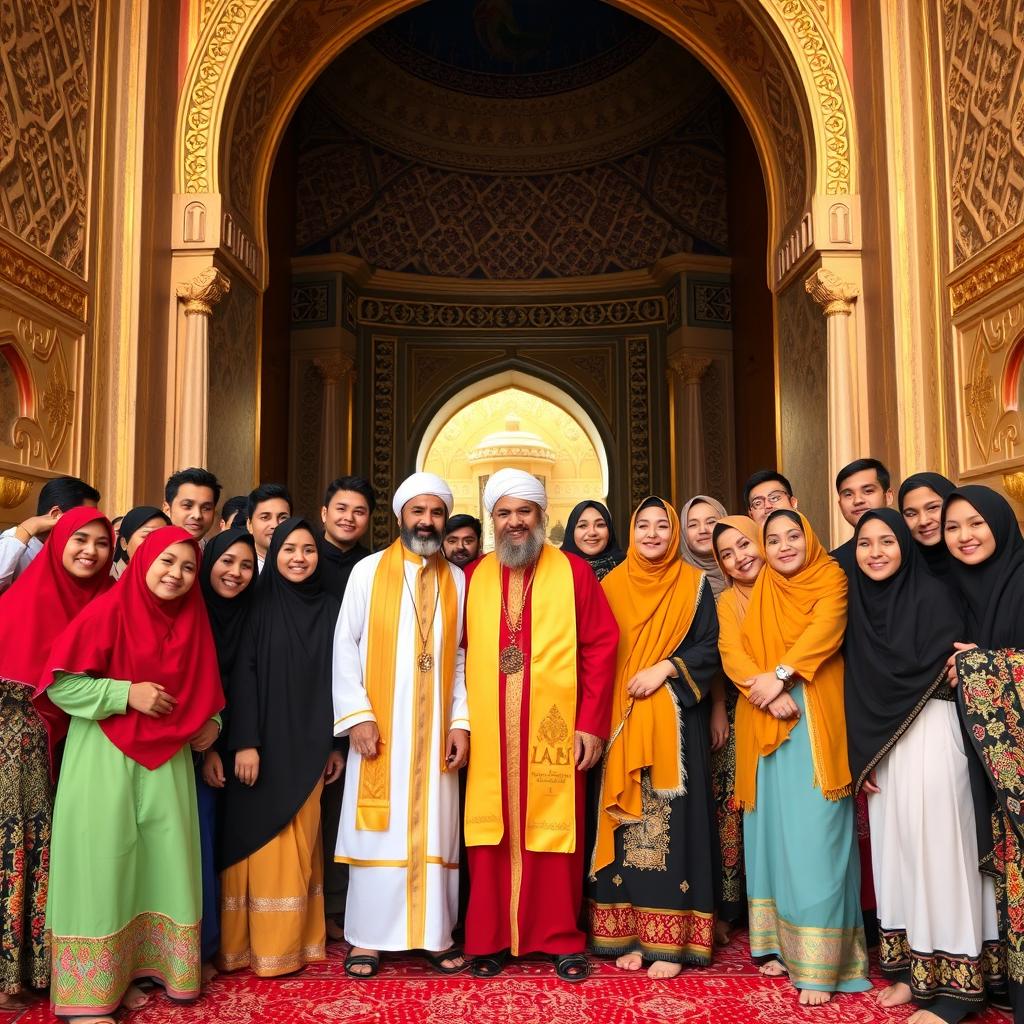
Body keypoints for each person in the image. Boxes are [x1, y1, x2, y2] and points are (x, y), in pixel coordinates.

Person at [39, 526, 224, 1021]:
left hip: (167, 763)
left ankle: (137, 971)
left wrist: (213, 720)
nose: (177, 575)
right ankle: (87, 997)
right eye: (167, 562)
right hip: (103, 759)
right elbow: (61, 688)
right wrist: (125, 693)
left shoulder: (192, 620)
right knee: (103, 865)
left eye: (188, 567)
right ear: (144, 562)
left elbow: (205, 685)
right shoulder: (107, 611)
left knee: (161, 863)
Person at [844, 508, 1001, 1023]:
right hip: (887, 749)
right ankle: (919, 975)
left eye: (886, 540)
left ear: (905, 546)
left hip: (934, 736)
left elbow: (948, 670)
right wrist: (863, 755)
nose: (874, 552)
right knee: (902, 856)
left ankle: (958, 989)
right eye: (864, 543)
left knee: (942, 855)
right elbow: (860, 689)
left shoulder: (934, 595)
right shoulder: (861, 604)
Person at [462, 468, 618, 982]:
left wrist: (591, 723)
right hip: (488, 733)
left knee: (554, 840)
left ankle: (558, 938)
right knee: (488, 838)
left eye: (523, 512)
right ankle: (487, 939)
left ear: (541, 516)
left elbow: (600, 647)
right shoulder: (473, 576)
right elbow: (457, 658)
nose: (514, 523)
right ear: (491, 520)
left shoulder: (573, 573)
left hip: (553, 731)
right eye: (503, 513)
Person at [717, 509, 869, 1006]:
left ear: (809, 536)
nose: (782, 546)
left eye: (791, 536)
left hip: (813, 714)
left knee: (817, 837)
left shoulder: (831, 577)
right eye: (773, 538)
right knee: (773, 836)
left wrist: (780, 676)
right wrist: (765, 690)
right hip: (764, 715)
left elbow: (824, 631)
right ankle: (780, 946)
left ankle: (825, 965)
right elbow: (733, 651)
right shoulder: (757, 592)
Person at [332, 472, 469, 977]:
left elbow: (459, 660)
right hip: (380, 734)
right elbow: (345, 647)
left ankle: (436, 934)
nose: (427, 521)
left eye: (436, 513)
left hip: (435, 735)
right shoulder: (368, 572)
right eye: (418, 512)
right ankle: (368, 938)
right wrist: (358, 718)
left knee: (436, 832)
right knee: (379, 831)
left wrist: (461, 722)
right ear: (401, 517)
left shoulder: (456, 580)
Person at [588, 498, 720, 977]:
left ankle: (669, 943)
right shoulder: (610, 584)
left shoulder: (694, 584)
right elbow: (594, 649)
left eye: (662, 525)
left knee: (671, 831)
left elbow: (712, 647)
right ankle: (629, 936)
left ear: (675, 534)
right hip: (620, 721)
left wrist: (665, 669)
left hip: (675, 728)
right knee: (625, 834)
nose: (651, 534)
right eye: (642, 525)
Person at [218, 518, 343, 978]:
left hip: (310, 745)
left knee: (301, 840)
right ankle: (243, 945)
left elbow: (342, 680)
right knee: (257, 841)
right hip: (261, 746)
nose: (299, 558)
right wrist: (245, 742)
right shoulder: (256, 602)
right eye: (290, 548)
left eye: (308, 550)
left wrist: (335, 745)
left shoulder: (331, 607)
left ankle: (291, 943)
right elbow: (243, 676)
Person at [0, 508, 114, 1010]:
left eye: (101, 542)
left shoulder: (110, 600)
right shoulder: (21, 600)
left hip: (82, 740)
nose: (90, 551)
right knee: (19, 846)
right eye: (79, 539)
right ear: (58, 542)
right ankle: (8, 975)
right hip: (18, 740)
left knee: (65, 849)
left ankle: (51, 967)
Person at [943, 485, 1024, 1022]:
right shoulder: (951, 589)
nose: (964, 536)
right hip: (991, 765)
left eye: (975, 523)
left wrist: (983, 666)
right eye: (953, 527)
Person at [195, 529, 257, 981]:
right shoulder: (190, 610)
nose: (235, 573)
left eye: (247, 566)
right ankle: (195, 947)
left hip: (239, 743)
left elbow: (249, 683)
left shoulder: (254, 613)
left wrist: (239, 743)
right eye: (227, 562)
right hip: (193, 743)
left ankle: (218, 942)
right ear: (209, 561)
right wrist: (211, 747)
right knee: (197, 843)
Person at [709, 515, 763, 946]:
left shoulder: (799, 587)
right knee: (733, 807)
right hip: (740, 705)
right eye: (727, 554)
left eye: (745, 545)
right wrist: (719, 710)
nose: (739, 558)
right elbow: (727, 656)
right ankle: (730, 908)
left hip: (799, 714)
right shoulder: (725, 602)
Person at [0, 476, 100, 593]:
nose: (92, 525)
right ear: (56, 514)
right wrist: (25, 530)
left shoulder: (82, 553)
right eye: (86, 517)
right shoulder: (16, 546)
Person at [830, 459, 894, 575]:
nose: (858, 500)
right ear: (840, 504)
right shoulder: (834, 563)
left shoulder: (917, 546)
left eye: (868, 491)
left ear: (888, 496)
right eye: (848, 494)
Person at [319, 475, 375, 601]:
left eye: (359, 512)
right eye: (341, 509)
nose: (349, 518)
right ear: (324, 513)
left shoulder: (372, 565)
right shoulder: (303, 556)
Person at [898, 472, 956, 577]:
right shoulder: (898, 570)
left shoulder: (978, 557)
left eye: (932, 508)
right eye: (911, 514)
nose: (923, 522)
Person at [559, 500, 624, 581]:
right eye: (583, 526)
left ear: (610, 530)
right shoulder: (557, 567)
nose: (592, 532)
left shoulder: (626, 568)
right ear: (571, 531)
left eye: (600, 525)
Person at [163, 468, 221, 542]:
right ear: (167, 509)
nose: (197, 515)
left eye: (206, 508)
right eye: (187, 506)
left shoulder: (213, 552)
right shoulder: (150, 549)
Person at [111, 506, 170, 579]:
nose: (155, 543)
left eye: (162, 538)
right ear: (124, 543)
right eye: (147, 536)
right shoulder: (109, 580)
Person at [245, 483, 292, 572]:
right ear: (249, 525)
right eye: (265, 517)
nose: (275, 525)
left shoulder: (299, 566)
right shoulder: (242, 569)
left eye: (283, 518)